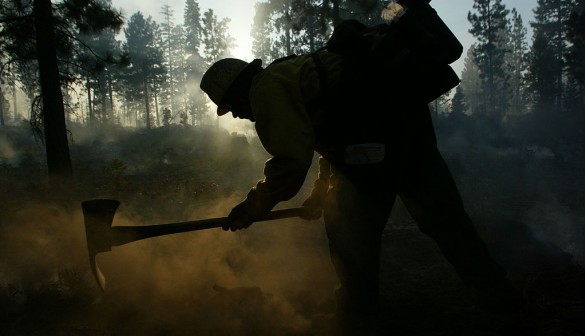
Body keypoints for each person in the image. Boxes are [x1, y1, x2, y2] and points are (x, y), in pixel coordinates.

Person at [200, 1, 524, 334]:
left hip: (372, 138)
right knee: (444, 218)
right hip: (403, 120)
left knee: (347, 230)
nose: (237, 115)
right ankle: (499, 300)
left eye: (231, 107)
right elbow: (332, 141)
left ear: (238, 89)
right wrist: (319, 195)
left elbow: (291, 163)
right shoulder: (292, 74)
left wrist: (253, 206)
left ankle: (356, 319)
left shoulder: (266, 90)